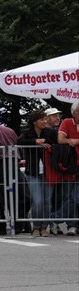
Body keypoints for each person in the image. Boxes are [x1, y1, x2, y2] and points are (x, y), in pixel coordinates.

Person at [17, 110, 58, 237]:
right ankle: (36, 226)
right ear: (34, 122)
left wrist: (45, 141)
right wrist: (35, 142)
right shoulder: (27, 133)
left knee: (47, 201)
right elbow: (19, 142)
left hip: (48, 171)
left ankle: (44, 227)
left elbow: (56, 141)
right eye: (42, 119)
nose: (45, 121)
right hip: (33, 172)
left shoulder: (50, 132)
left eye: (46, 119)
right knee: (37, 200)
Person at [55, 101, 79, 236]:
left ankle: (55, 217)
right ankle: (72, 225)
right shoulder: (67, 122)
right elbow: (60, 139)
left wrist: (76, 141)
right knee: (71, 196)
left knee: (74, 197)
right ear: (74, 113)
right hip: (72, 165)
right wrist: (71, 140)